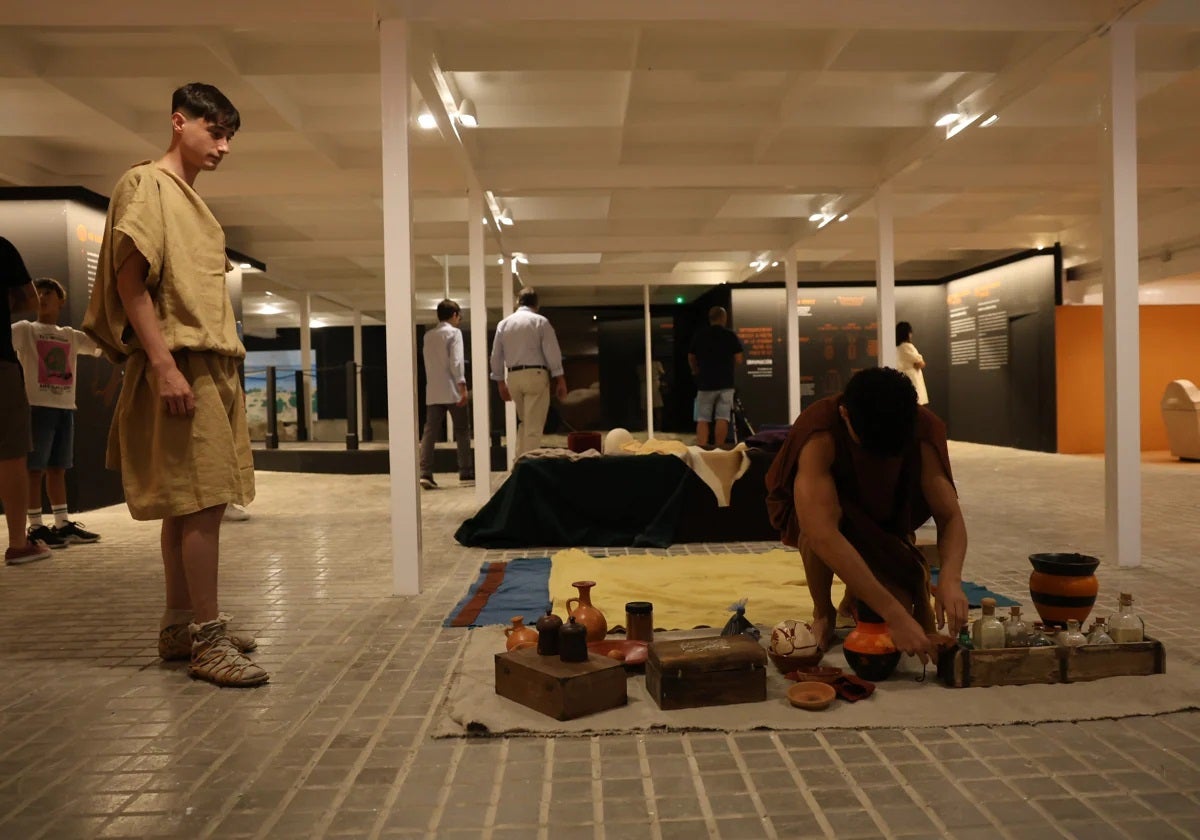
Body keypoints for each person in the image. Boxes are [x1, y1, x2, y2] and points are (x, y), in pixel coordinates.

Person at [82, 83, 266, 687]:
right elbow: (129, 284)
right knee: (203, 502)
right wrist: (163, 365)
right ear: (178, 122)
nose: (224, 146)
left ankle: (180, 622)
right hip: (181, 361)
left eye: (229, 135)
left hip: (206, 363)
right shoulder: (146, 184)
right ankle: (207, 642)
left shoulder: (187, 198)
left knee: (190, 502)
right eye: (215, 131)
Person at [764, 366, 969, 664]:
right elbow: (822, 533)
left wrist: (951, 578)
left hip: (888, 523)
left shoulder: (920, 427)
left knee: (890, 624)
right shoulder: (819, 431)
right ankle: (823, 612)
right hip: (830, 521)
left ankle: (857, 597)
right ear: (844, 413)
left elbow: (949, 516)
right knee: (815, 534)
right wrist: (895, 614)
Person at [12, 278, 104, 550]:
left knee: (57, 468)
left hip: (65, 407)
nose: (42, 296)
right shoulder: (26, 329)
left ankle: (62, 524)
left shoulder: (70, 335)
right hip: (37, 407)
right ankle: (36, 526)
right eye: (39, 292)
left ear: (61, 301)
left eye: (49, 292)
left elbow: (98, 346)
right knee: (34, 469)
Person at [1, 238, 53, 566]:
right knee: (10, 453)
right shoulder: (2, 249)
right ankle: (18, 543)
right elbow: (30, 300)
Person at [490, 288, 567, 457]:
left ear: (518, 302)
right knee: (534, 426)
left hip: (513, 377)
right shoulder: (541, 322)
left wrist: (500, 382)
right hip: (535, 374)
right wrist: (560, 379)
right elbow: (552, 352)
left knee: (525, 422)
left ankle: (519, 463)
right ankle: (529, 467)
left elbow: (496, 356)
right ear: (536, 304)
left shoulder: (504, 324)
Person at [419, 299, 472, 489]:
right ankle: (465, 473)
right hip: (452, 390)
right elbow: (456, 361)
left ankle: (425, 472)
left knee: (430, 432)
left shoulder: (428, 336)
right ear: (455, 315)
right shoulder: (454, 333)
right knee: (462, 430)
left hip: (433, 390)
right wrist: (462, 386)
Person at [688, 306, 744, 448]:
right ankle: (719, 447)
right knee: (722, 417)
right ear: (723, 318)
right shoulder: (730, 335)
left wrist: (695, 370)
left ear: (710, 319)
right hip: (726, 383)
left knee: (703, 418)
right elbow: (739, 359)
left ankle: (702, 447)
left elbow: (691, 356)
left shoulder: (700, 335)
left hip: (705, 383)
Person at [895, 321, 929, 406]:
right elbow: (921, 363)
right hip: (913, 382)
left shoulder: (897, 348)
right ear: (908, 334)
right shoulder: (907, 346)